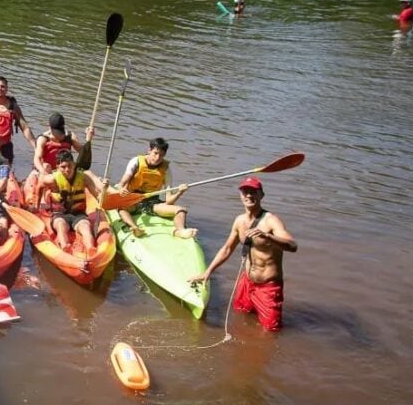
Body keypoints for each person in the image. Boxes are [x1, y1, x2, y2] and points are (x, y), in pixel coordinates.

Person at [189, 177, 297, 331]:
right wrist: (208, 272)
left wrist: (268, 236)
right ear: (240, 195)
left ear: (261, 195)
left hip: (268, 286)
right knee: (241, 317)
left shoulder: (271, 221)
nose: (249, 195)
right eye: (245, 191)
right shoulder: (239, 221)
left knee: (271, 330)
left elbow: (293, 246)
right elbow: (227, 248)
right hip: (246, 282)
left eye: (253, 192)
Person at [115, 138, 197, 239]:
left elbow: (169, 201)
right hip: (133, 200)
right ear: (149, 150)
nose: (158, 158)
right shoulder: (136, 162)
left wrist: (180, 192)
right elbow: (121, 184)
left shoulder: (166, 170)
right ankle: (135, 227)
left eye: (161, 155)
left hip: (152, 203)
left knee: (181, 210)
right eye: (155, 153)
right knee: (122, 208)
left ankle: (179, 231)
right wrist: (121, 189)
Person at [43, 151, 107, 256]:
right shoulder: (52, 179)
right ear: (58, 166)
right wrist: (36, 205)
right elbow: (40, 186)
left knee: (85, 227)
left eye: (70, 165)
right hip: (60, 214)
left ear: (74, 164)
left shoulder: (83, 178)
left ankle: (91, 248)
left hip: (78, 214)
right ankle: (65, 247)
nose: (67, 169)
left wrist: (104, 190)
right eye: (63, 167)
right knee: (60, 225)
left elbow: (96, 195)